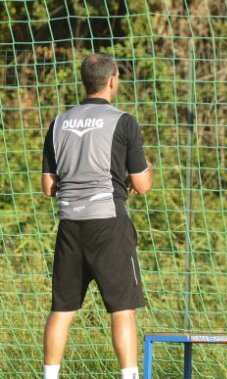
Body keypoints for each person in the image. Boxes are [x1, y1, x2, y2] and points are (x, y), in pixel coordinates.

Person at [41, 53, 153, 379]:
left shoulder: (59, 122)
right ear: (113, 80)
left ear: (84, 81)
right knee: (122, 309)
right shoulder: (123, 121)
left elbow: (49, 186)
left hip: (70, 226)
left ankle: (50, 376)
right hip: (108, 225)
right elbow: (142, 185)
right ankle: (129, 375)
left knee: (62, 310)